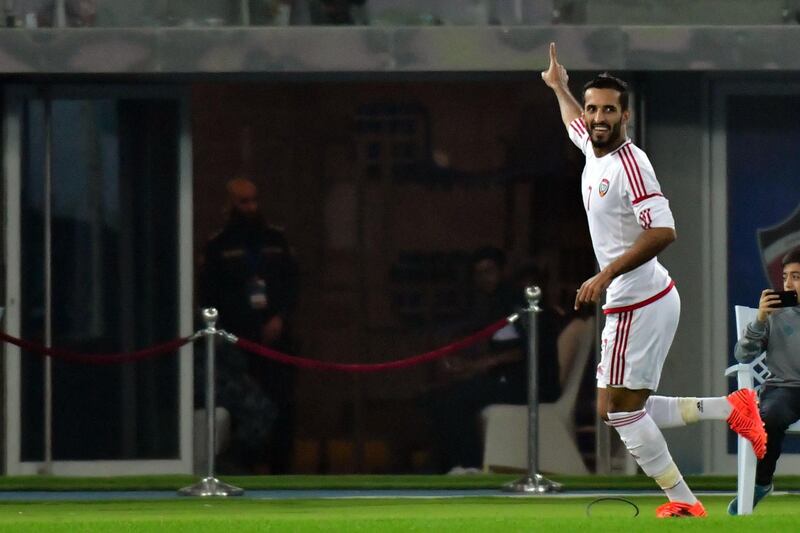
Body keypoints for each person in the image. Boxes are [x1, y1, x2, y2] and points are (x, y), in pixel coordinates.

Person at [541, 42, 766, 517]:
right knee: (617, 406)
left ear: (626, 116)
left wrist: (605, 273)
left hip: (638, 300)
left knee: (622, 411)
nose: (597, 117)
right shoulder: (591, 144)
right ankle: (732, 408)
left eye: (609, 110)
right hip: (641, 298)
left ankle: (683, 501)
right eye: (594, 107)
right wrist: (560, 87)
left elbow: (664, 230)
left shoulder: (631, 164)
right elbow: (572, 124)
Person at [428, 247, 560, 473]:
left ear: (502, 271)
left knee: (455, 401)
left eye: (489, 271)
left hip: (530, 383)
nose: (484, 278)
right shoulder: (490, 303)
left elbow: (527, 351)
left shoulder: (516, 301)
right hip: (506, 379)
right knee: (441, 396)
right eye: (478, 273)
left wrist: (477, 366)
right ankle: (449, 465)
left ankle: (469, 466)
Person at [199, 177, 299, 473]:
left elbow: (293, 283)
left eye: (254, 200)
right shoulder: (218, 245)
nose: (251, 207)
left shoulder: (275, 240)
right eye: (244, 202)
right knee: (247, 411)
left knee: (282, 406)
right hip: (237, 343)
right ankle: (244, 470)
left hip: (276, 340)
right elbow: (210, 294)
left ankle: (283, 473)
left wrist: (280, 317)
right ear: (230, 204)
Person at [727, 248, 800, 514]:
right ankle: (761, 482)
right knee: (769, 416)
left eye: (797, 277)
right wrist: (759, 320)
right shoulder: (772, 315)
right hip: (783, 389)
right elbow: (742, 355)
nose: (788, 284)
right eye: (785, 277)